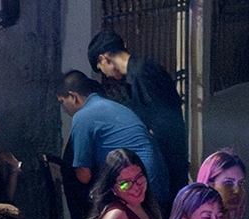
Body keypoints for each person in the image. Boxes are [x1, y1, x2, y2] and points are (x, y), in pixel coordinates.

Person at [89, 28, 190, 197]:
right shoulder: (135, 76)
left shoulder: (144, 72)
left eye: (101, 69)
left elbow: (163, 120)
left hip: (169, 163)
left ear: (104, 58)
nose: (106, 75)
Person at [57, 71, 171, 209]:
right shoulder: (113, 106)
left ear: (73, 96)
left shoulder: (82, 117)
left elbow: (84, 175)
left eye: (63, 102)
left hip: (138, 185)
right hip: (158, 182)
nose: (63, 109)